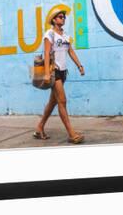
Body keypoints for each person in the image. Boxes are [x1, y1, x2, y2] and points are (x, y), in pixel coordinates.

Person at [34, 7, 86, 144]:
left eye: (64, 17)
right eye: (60, 17)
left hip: (63, 73)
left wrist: (79, 65)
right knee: (62, 101)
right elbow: (46, 53)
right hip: (53, 72)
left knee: (53, 102)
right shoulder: (49, 34)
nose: (63, 18)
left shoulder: (66, 36)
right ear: (54, 19)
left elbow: (71, 52)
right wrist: (46, 73)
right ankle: (71, 134)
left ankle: (39, 128)